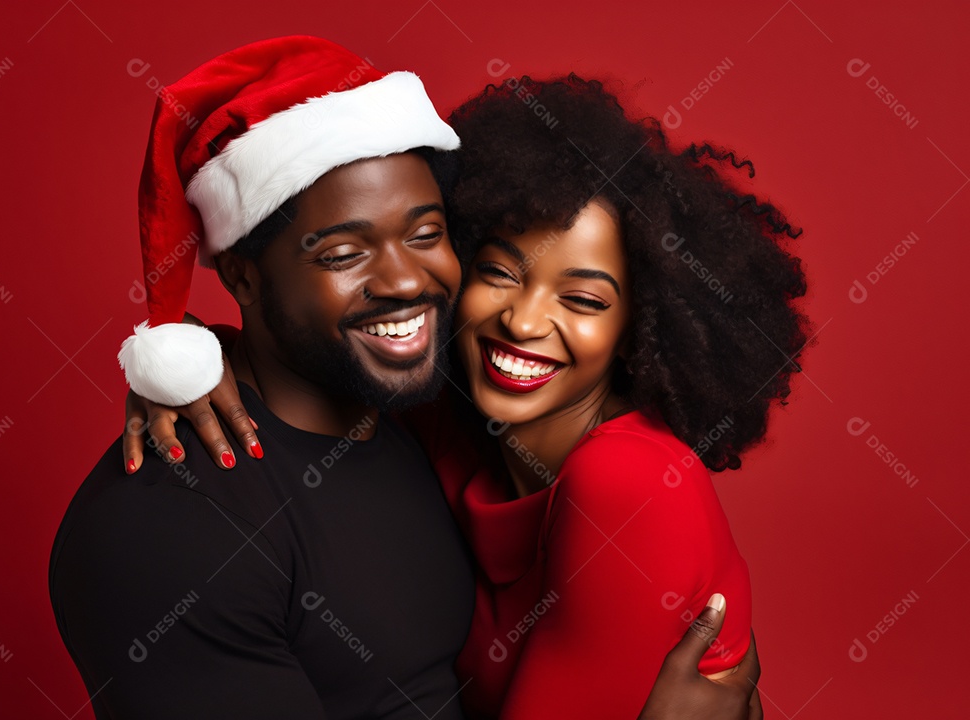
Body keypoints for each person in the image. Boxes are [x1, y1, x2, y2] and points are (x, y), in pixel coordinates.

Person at [50, 38, 761, 719]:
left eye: (425, 234)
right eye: (343, 252)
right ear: (240, 274)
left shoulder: (467, 433)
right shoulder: (183, 524)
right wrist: (187, 362)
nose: (403, 280)